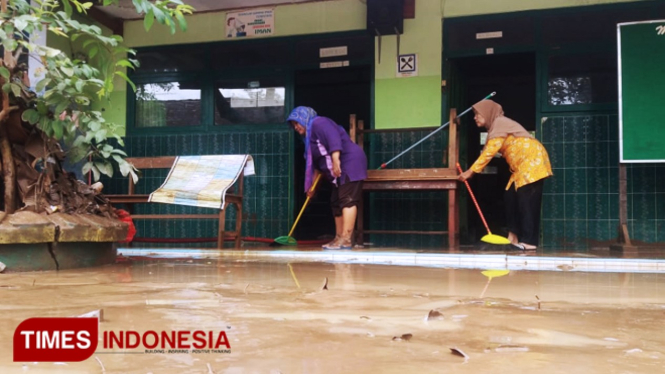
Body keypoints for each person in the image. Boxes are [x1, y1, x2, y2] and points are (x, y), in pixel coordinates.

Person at [458, 100, 552, 251]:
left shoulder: (500, 123)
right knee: (510, 197)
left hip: (532, 163)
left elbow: (489, 152)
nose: (475, 117)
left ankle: (529, 242)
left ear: (488, 112)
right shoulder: (497, 127)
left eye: (478, 114)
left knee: (526, 201)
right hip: (521, 168)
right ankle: (513, 237)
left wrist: (470, 172)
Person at [287, 106, 367, 250]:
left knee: (347, 199)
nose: (296, 127)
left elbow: (333, 137)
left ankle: (346, 239)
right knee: (335, 202)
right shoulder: (308, 140)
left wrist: (336, 159)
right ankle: (338, 238)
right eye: (293, 125)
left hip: (349, 162)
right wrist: (312, 187)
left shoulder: (319, 123)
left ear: (304, 118)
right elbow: (318, 165)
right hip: (338, 168)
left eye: (297, 122)